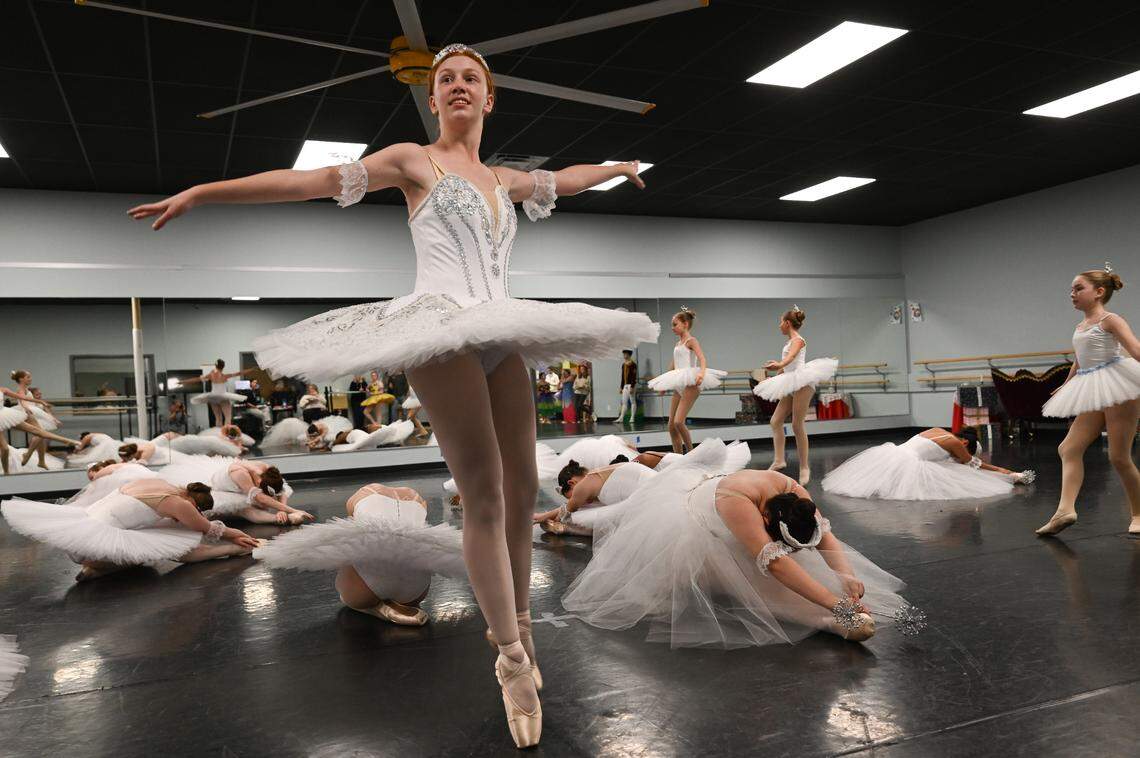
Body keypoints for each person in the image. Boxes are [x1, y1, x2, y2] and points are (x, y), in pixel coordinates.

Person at [126, 42, 658, 747]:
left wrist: (617, 168)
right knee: (484, 495)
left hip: (502, 324)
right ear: (431, 99)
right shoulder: (414, 159)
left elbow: (567, 178)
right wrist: (205, 192)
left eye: (471, 78)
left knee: (522, 493)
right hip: (437, 329)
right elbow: (311, 180)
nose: (459, 85)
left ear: (490, 97)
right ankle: (508, 659)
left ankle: (524, 632)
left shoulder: (504, 178)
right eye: (446, 80)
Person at [562, 440, 919, 648]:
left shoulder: (794, 492)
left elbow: (825, 536)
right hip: (696, 523)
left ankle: (836, 616)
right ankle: (832, 620)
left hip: (726, 503)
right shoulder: (736, 503)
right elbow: (776, 563)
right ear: (766, 518)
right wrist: (835, 603)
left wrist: (845, 575)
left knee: (801, 572)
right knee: (755, 584)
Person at [255, 484, 467, 626]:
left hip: (365, 587)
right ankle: (401, 603)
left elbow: (356, 541)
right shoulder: (418, 499)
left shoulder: (361, 495)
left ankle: (375, 607)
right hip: (417, 591)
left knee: (355, 550)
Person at [1037, 265, 1140, 536]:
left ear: (1099, 292)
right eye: (1071, 289)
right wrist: (1067, 384)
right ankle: (1065, 510)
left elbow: (1136, 349)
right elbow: (1080, 358)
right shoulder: (1081, 326)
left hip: (1119, 386)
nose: (1072, 293)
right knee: (1068, 448)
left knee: (1119, 457)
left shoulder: (1111, 319)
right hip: (1093, 386)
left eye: (1078, 288)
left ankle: (1139, 513)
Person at [1, 478, 260, 582]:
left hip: (81, 527)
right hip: (96, 542)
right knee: (167, 549)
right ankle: (97, 567)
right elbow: (206, 528)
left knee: (169, 539)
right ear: (195, 503)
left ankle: (96, 565)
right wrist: (237, 534)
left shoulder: (158, 483)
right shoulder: (179, 504)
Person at [751, 306, 838, 485]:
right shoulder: (788, 342)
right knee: (775, 421)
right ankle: (779, 460)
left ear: (787, 323)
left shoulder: (798, 340)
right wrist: (774, 378)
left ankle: (804, 467)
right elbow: (785, 366)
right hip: (790, 380)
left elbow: (790, 359)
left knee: (797, 424)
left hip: (802, 382)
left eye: (780, 322)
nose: (779, 326)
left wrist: (779, 364)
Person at [822, 427, 1035, 499]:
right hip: (910, 462)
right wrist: (1006, 472)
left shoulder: (938, 430)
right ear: (965, 443)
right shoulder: (955, 443)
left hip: (894, 453)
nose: (958, 457)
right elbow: (975, 464)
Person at [648, 308, 727, 453]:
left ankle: (691, 453)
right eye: (672, 325)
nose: (672, 328)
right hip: (679, 384)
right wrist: (664, 385)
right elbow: (673, 366)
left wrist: (701, 374)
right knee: (671, 426)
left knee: (679, 422)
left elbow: (702, 359)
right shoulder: (678, 344)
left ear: (685, 324)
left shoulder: (692, 341)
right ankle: (678, 457)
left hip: (690, 383)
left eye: (675, 324)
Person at [180, 360, 249, 427]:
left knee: (218, 418)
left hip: (213, 397)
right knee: (228, 417)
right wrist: (251, 370)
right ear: (223, 367)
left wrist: (183, 381)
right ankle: (226, 432)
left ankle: (218, 433)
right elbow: (240, 373)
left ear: (216, 366)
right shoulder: (225, 376)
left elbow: (196, 379)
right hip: (223, 396)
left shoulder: (211, 375)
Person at [615, 350, 639, 424]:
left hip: (631, 385)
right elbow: (622, 377)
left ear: (629, 355)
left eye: (625, 354)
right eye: (624, 354)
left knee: (632, 401)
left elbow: (634, 376)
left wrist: (632, 386)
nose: (624, 355)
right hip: (625, 385)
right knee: (624, 402)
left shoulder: (633, 364)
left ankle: (632, 417)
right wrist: (621, 387)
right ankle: (621, 417)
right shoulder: (623, 365)